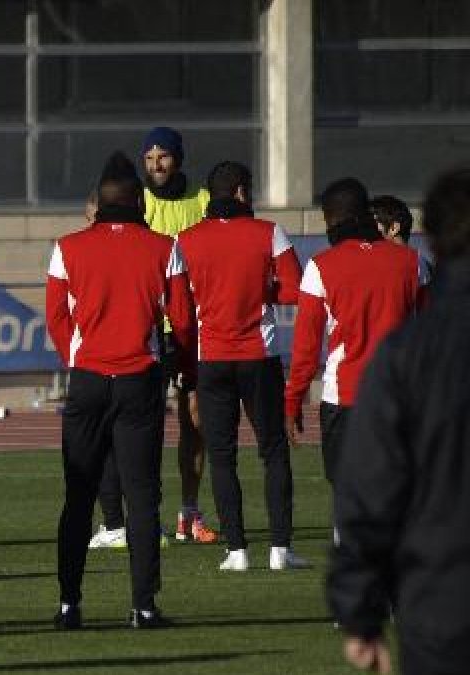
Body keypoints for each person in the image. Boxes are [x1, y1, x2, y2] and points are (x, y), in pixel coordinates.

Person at [328, 166, 470, 675]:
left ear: (430, 237)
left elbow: (370, 486)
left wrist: (359, 610)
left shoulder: (408, 353)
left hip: (440, 594)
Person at [45, 152, 195, 629]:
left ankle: (69, 605)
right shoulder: (163, 246)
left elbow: (55, 317)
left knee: (78, 495)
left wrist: (79, 358)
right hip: (139, 381)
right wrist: (178, 362)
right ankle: (143, 607)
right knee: (144, 497)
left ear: (100, 204)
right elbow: (183, 319)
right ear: (137, 202)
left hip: (87, 380)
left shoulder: (66, 247)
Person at [175, 161, 304, 572]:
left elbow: (180, 309)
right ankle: (280, 549)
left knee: (222, 454)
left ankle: (236, 550)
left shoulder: (186, 239)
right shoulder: (269, 232)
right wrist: (261, 288)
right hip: (258, 357)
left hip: (210, 359)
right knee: (273, 451)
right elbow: (293, 291)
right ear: (243, 192)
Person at [284, 179, 428, 491]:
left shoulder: (320, 266)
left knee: (349, 496)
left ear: (331, 219)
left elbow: (306, 350)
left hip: (344, 397)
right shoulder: (414, 262)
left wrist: (292, 402)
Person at [140, 126, 218, 545]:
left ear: (178, 158)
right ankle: (144, 513)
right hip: (151, 327)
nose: (156, 164)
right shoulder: (140, 201)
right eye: (150, 157)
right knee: (144, 424)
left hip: (192, 325)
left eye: (164, 156)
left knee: (194, 420)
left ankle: (190, 511)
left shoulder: (203, 200)